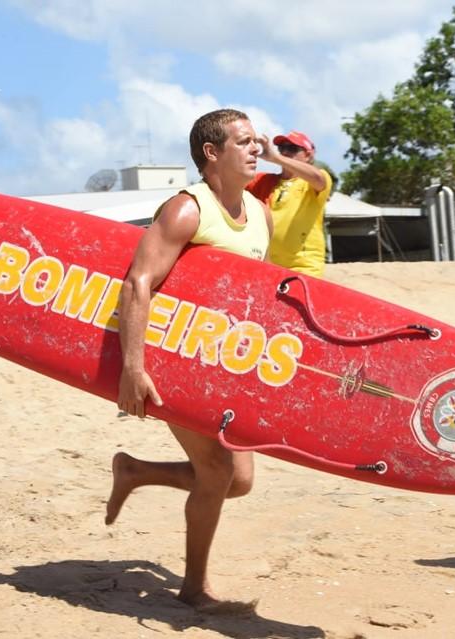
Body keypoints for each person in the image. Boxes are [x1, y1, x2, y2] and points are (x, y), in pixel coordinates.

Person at [107, 108, 273, 613]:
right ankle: (195, 589)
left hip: (226, 362)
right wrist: (133, 368)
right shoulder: (187, 210)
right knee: (219, 469)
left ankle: (134, 472)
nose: (256, 148)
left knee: (237, 481)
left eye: (255, 141)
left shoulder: (261, 214)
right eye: (244, 142)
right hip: (173, 355)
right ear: (212, 153)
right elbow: (138, 283)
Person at [245, 130, 332, 276]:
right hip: (268, 265)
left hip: (304, 267)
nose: (284, 152)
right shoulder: (265, 181)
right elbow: (229, 181)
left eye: (292, 149)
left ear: (308, 155)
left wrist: (275, 158)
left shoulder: (314, 180)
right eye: (282, 148)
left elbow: (318, 179)